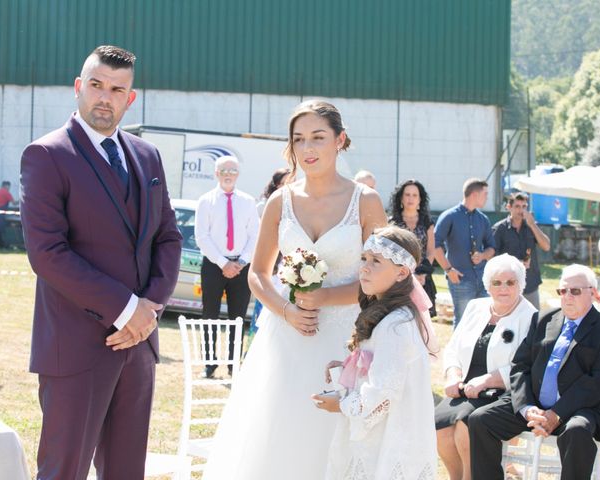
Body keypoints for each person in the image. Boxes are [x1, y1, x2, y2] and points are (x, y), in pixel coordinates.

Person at [202, 99, 387, 480]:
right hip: (286, 338)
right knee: (277, 432)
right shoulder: (279, 201)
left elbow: (382, 277)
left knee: (334, 437)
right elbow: (258, 273)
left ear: (340, 140)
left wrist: (325, 297)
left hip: (346, 339)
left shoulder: (365, 202)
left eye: (318, 137)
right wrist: (285, 311)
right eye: (299, 139)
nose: (307, 148)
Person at [19, 45, 182, 479]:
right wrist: (127, 310)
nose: (104, 97)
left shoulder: (147, 156)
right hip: (76, 346)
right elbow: (47, 253)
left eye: (116, 89)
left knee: (127, 471)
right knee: (64, 470)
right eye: (96, 85)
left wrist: (149, 310)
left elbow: (168, 236)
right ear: (78, 88)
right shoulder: (47, 155)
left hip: (139, 347)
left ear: (131, 98)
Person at [468, 264, 600, 480]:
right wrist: (527, 407)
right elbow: (520, 365)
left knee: (578, 431)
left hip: (578, 408)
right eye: (563, 290)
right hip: (534, 405)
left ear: (593, 293)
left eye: (575, 291)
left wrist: (556, 413)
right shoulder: (543, 319)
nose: (567, 296)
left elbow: (598, 382)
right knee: (480, 420)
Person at [314, 226, 437, 479]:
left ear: (402, 273)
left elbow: (383, 395)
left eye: (376, 261)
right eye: (364, 259)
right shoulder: (388, 315)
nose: (365, 267)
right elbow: (383, 368)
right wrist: (350, 367)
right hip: (380, 436)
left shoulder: (396, 325)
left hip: (389, 439)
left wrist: (342, 404)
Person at [434, 254, 537, 480]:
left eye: (510, 282)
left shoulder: (531, 317)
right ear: (487, 285)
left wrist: (488, 380)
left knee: (465, 429)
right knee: (440, 428)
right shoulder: (475, 307)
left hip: (502, 392)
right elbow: (453, 347)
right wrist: (453, 374)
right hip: (465, 388)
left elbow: (526, 366)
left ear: (521, 284)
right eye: (496, 282)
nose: (503, 288)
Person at [195, 155, 259, 377]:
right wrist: (223, 263)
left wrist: (240, 263)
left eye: (232, 170)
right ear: (216, 173)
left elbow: (255, 235)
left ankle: (234, 365)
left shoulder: (248, 202)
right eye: (223, 170)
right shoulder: (206, 201)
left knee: (238, 317)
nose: (228, 175)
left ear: (238, 174)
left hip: (241, 265)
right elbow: (202, 237)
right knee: (209, 314)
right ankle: (210, 364)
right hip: (214, 264)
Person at [434, 178, 496, 328]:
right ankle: (458, 352)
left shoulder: (483, 219)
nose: (487, 197)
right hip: (460, 279)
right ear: (474, 194)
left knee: (484, 320)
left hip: (482, 280)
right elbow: (434, 245)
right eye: (485, 194)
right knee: (463, 322)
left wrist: (482, 256)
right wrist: (449, 270)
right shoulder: (449, 216)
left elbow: (492, 248)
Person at [492, 192, 551, 310]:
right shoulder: (500, 229)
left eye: (524, 207)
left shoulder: (531, 226)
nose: (521, 210)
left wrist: (532, 224)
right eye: (517, 206)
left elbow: (546, 246)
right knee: (508, 319)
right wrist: (515, 263)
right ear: (509, 207)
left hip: (530, 283)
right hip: (508, 284)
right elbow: (493, 258)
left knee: (533, 321)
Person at [389, 179, 437, 317]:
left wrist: (422, 273)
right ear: (401, 198)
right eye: (407, 194)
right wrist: (409, 275)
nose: (411, 198)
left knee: (422, 319)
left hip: (423, 276)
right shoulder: (392, 222)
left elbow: (431, 251)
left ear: (420, 199)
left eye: (415, 195)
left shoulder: (427, 221)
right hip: (398, 277)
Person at [251, 167, 291, 332]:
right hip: (271, 263)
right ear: (276, 185)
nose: (287, 187)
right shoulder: (265, 206)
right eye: (284, 183)